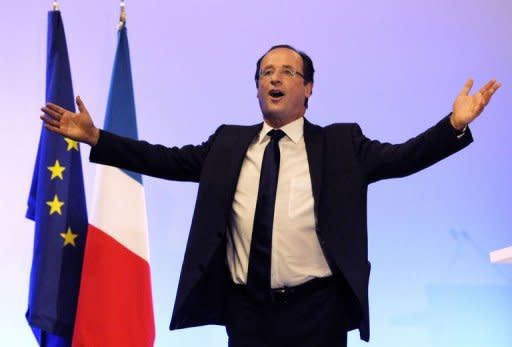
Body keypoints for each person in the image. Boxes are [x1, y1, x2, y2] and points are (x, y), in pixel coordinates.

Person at [40, 45, 500, 347]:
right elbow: (166, 159)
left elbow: (404, 157)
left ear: (308, 87)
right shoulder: (227, 143)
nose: (273, 78)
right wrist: (99, 137)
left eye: (286, 71)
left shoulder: (341, 145)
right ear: (258, 86)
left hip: (316, 314)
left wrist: (453, 125)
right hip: (247, 313)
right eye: (265, 72)